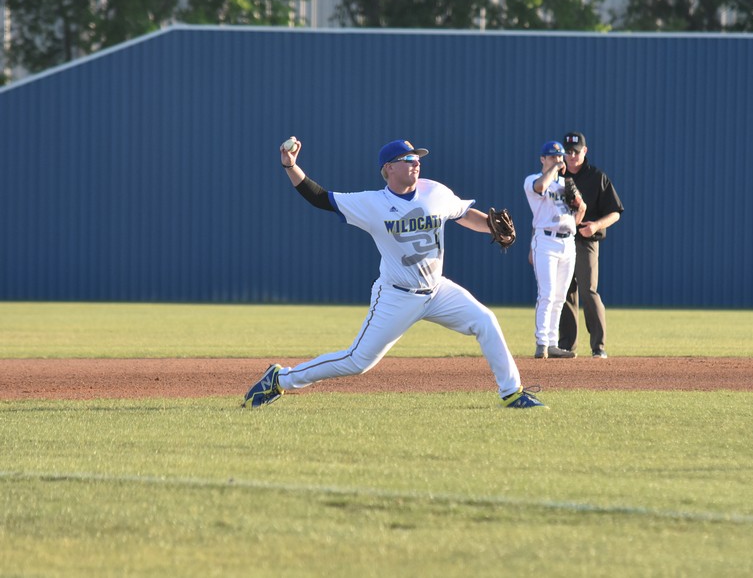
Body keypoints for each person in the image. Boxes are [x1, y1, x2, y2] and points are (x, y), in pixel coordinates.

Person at [242, 137, 545, 409]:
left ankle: (512, 392)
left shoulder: (435, 192)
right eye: (409, 159)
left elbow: (463, 213)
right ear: (389, 168)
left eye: (418, 158)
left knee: (485, 320)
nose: (417, 163)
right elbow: (320, 198)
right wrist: (291, 166)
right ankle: (280, 379)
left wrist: (489, 226)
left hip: (437, 291)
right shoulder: (373, 203)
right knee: (357, 361)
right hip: (396, 296)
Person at [557, 131, 624, 359]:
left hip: (586, 240)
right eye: (568, 151)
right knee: (565, 291)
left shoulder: (597, 177)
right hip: (560, 240)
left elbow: (615, 212)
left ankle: (599, 347)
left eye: (577, 151)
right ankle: (566, 346)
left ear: (585, 151)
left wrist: (595, 226)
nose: (572, 156)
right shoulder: (557, 176)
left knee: (588, 290)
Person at [524, 141, 586, 359]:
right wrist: (554, 168)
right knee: (547, 293)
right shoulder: (532, 180)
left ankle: (552, 343)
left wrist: (578, 210)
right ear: (543, 159)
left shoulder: (566, 183)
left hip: (568, 241)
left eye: (560, 157)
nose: (558, 160)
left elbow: (581, 209)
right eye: (552, 157)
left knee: (560, 296)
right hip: (546, 240)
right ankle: (542, 343)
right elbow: (540, 187)